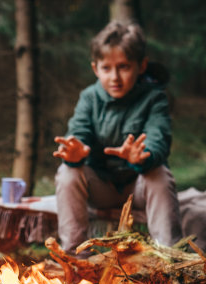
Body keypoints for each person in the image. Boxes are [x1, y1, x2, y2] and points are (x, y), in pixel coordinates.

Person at [53, 21, 182, 256]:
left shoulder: (154, 99)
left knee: (160, 174)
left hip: (138, 188)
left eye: (123, 67)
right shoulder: (89, 97)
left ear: (141, 66)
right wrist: (77, 150)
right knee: (67, 173)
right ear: (95, 69)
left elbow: (158, 139)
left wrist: (142, 156)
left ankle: (169, 257)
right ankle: (74, 255)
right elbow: (79, 131)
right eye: (106, 68)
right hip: (100, 188)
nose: (115, 77)